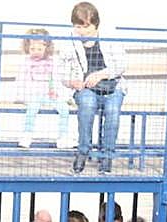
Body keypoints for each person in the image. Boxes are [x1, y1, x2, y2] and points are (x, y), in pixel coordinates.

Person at [63, 1, 126, 174]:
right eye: (78, 27)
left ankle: (107, 156)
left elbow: (121, 65)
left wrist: (100, 75)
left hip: (112, 86)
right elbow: (62, 72)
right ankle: (83, 151)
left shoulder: (110, 37)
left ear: (95, 24)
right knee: (87, 105)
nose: (82, 31)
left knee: (113, 111)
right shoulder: (69, 41)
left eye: (86, 27)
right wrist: (71, 82)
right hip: (85, 88)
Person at [17, 28, 72, 150]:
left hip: (50, 94)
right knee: (32, 109)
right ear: (27, 48)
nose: (36, 52)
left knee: (64, 109)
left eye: (39, 49)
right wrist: (22, 96)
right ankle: (27, 135)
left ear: (47, 48)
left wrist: (59, 94)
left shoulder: (52, 61)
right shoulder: (26, 62)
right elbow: (22, 79)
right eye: (32, 49)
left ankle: (63, 137)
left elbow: (57, 78)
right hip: (33, 94)